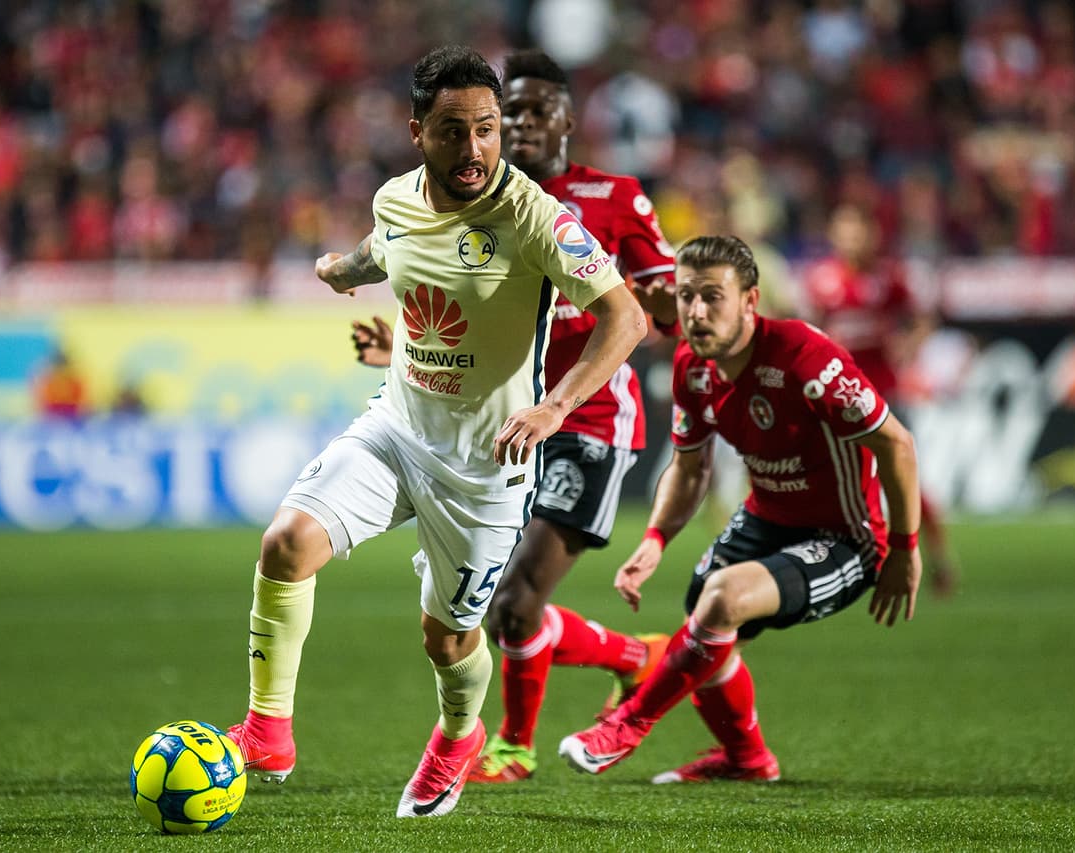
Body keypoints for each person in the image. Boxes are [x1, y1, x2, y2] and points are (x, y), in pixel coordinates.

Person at [225, 45, 646, 819]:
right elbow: (380, 251)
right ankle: (267, 729)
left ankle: (459, 733)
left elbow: (628, 316)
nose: (475, 148)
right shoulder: (397, 199)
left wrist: (554, 407)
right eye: (454, 131)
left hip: (486, 468)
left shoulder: (535, 217)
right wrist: (340, 271)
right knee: (286, 542)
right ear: (418, 132)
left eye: (486, 129)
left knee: (447, 638)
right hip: (397, 426)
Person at [351, 48, 679, 785]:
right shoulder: (483, 203)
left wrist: (676, 306)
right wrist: (402, 348)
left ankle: (514, 744)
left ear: (566, 118)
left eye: (533, 112)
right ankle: (635, 656)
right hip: (501, 426)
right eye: (514, 113)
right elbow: (469, 323)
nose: (521, 126)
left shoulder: (612, 196)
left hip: (585, 422)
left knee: (515, 597)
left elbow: (658, 298)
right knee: (498, 603)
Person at [558, 235, 923, 781]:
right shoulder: (693, 367)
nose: (696, 312)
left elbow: (896, 444)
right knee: (701, 629)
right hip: (765, 518)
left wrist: (904, 549)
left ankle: (624, 727)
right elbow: (689, 468)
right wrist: (655, 540)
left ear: (750, 301)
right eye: (686, 297)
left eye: (712, 297)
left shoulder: (808, 359)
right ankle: (748, 759)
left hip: (846, 536)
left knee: (720, 601)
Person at [805, 202, 958, 595]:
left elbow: (922, 318)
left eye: (857, 231)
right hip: (837, 398)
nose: (851, 239)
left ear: (871, 235)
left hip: (884, 395)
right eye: (844, 231)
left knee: (903, 478)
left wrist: (907, 347)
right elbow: (809, 332)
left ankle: (938, 558)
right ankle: (847, 564)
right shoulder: (823, 280)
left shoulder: (888, 279)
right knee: (839, 481)